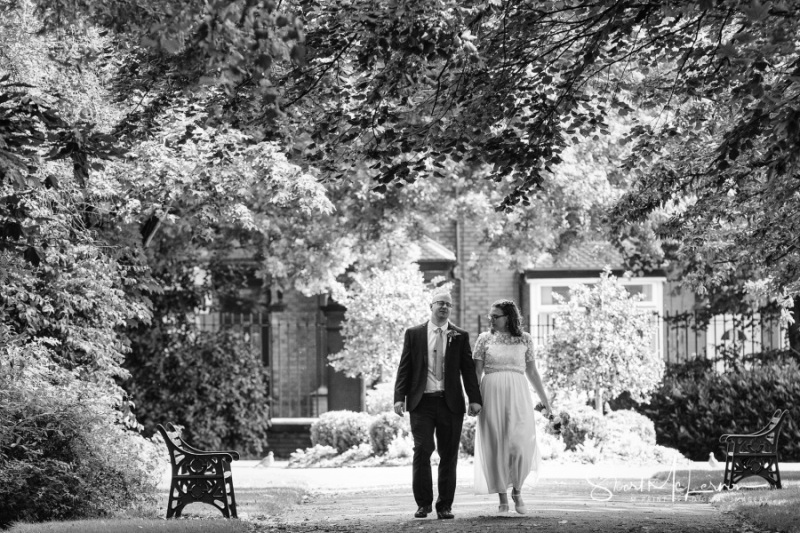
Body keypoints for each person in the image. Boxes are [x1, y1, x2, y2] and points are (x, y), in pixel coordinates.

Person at [394, 291, 483, 520]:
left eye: (448, 304)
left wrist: (474, 398)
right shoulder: (414, 334)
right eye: (440, 303)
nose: (444, 307)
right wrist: (399, 397)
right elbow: (405, 367)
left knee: (449, 454)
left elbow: (468, 370)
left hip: (450, 403)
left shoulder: (460, 336)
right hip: (421, 403)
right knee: (422, 451)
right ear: (431, 306)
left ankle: (444, 505)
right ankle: (423, 504)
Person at [472, 299, 553, 514]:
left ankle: (517, 490)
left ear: (509, 317)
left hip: (518, 394)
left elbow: (532, 372)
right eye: (490, 316)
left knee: (520, 443)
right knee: (496, 444)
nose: (491, 320)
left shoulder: (524, 339)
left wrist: (546, 401)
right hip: (490, 394)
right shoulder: (483, 339)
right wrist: (473, 399)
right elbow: (475, 373)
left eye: (496, 316)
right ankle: (502, 497)